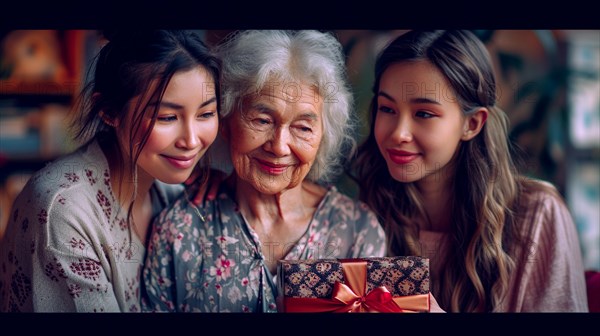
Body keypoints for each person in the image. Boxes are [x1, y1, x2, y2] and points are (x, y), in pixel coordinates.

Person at [142, 30, 387, 313]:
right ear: (226, 120)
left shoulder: (357, 230)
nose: (279, 146)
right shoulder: (180, 230)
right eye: (262, 120)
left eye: (303, 128)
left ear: (323, 137)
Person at [353, 30, 589, 312]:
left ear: (472, 124)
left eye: (424, 113)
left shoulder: (538, 216)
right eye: (387, 108)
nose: (398, 134)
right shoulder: (365, 213)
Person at [0, 30, 221, 312]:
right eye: (167, 117)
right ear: (109, 112)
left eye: (206, 114)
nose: (191, 140)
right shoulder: (63, 211)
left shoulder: (171, 192)